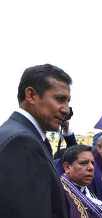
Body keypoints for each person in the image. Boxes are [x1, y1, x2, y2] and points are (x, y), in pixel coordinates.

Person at [0, 64, 71, 218]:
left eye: (68, 101)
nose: (66, 109)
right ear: (31, 95)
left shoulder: (21, 135)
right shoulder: (21, 142)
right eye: (60, 99)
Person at [61, 145, 102, 218]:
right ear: (67, 167)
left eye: (92, 163)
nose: (91, 168)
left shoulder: (85, 188)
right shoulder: (59, 193)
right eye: (83, 163)